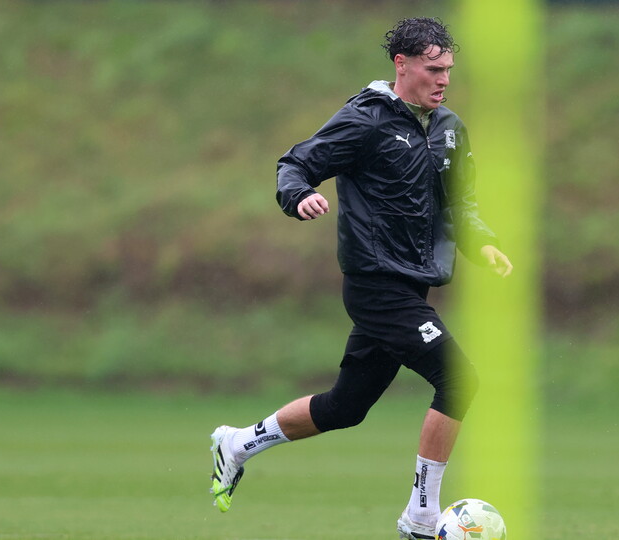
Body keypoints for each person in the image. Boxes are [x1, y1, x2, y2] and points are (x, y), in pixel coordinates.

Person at [209, 17, 512, 539]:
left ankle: (237, 443)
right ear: (402, 64)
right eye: (433, 69)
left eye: (448, 70)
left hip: (413, 284)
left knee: (345, 406)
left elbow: (461, 202)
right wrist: (299, 195)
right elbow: (296, 163)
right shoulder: (365, 120)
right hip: (376, 284)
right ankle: (421, 517)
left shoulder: (449, 128)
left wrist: (481, 242)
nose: (444, 80)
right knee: (459, 380)